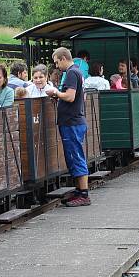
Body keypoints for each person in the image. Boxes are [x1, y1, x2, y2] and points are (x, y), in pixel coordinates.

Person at [47, 47, 90, 206]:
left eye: (57, 62)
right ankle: (79, 191)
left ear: (63, 58)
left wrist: (55, 93)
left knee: (76, 156)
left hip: (72, 122)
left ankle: (84, 194)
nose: (57, 66)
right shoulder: (77, 72)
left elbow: (70, 97)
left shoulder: (72, 73)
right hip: (73, 121)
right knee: (74, 156)